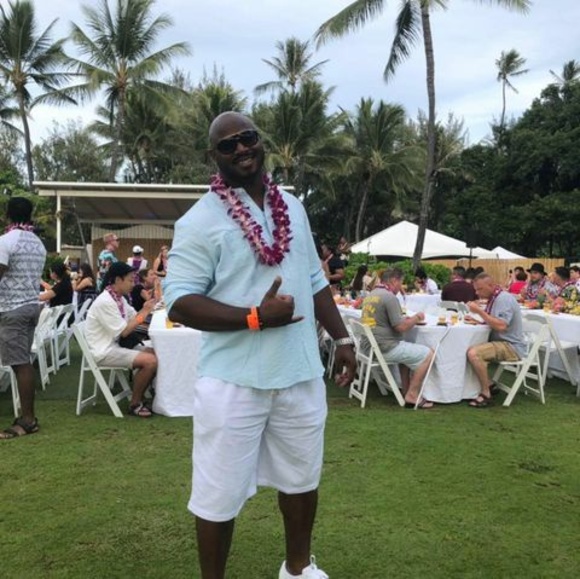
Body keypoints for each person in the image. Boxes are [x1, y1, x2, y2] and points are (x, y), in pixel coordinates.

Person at [163, 111, 356, 579]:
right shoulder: (198, 220)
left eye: (247, 137)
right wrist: (254, 317)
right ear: (213, 156)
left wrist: (343, 336)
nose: (241, 148)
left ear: (260, 140)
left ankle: (297, 568)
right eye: (227, 145)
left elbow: (314, 280)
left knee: (302, 479)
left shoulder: (292, 206)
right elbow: (180, 303)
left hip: (299, 371)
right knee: (218, 494)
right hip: (233, 379)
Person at [85, 262, 158, 418]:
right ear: (118, 280)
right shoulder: (106, 301)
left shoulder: (118, 298)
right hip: (104, 351)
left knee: (157, 353)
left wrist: (147, 310)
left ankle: (147, 394)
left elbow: (134, 317)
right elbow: (124, 332)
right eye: (130, 280)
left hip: (115, 345)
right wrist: (145, 311)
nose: (133, 284)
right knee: (151, 361)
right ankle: (135, 403)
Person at [0, 197, 47, 439]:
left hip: (13, 308)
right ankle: (27, 417)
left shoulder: (6, 241)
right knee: (22, 361)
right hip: (30, 306)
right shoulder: (38, 243)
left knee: (20, 364)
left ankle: (28, 420)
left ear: (7, 215)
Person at [360, 267, 434, 409]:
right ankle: (412, 395)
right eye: (401, 282)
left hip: (368, 347)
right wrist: (417, 317)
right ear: (394, 281)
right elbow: (401, 327)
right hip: (383, 348)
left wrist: (407, 319)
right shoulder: (389, 297)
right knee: (428, 354)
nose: (401, 287)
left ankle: (405, 390)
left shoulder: (372, 294)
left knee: (406, 347)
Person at [466, 273, 525, 408]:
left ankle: (486, 393)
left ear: (491, 285)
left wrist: (479, 312)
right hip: (502, 342)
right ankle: (489, 384)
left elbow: (501, 326)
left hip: (511, 346)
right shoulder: (495, 297)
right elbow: (494, 321)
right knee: (468, 348)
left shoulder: (504, 299)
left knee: (474, 353)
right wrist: (477, 321)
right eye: (476, 289)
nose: (477, 293)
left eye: (480, 289)